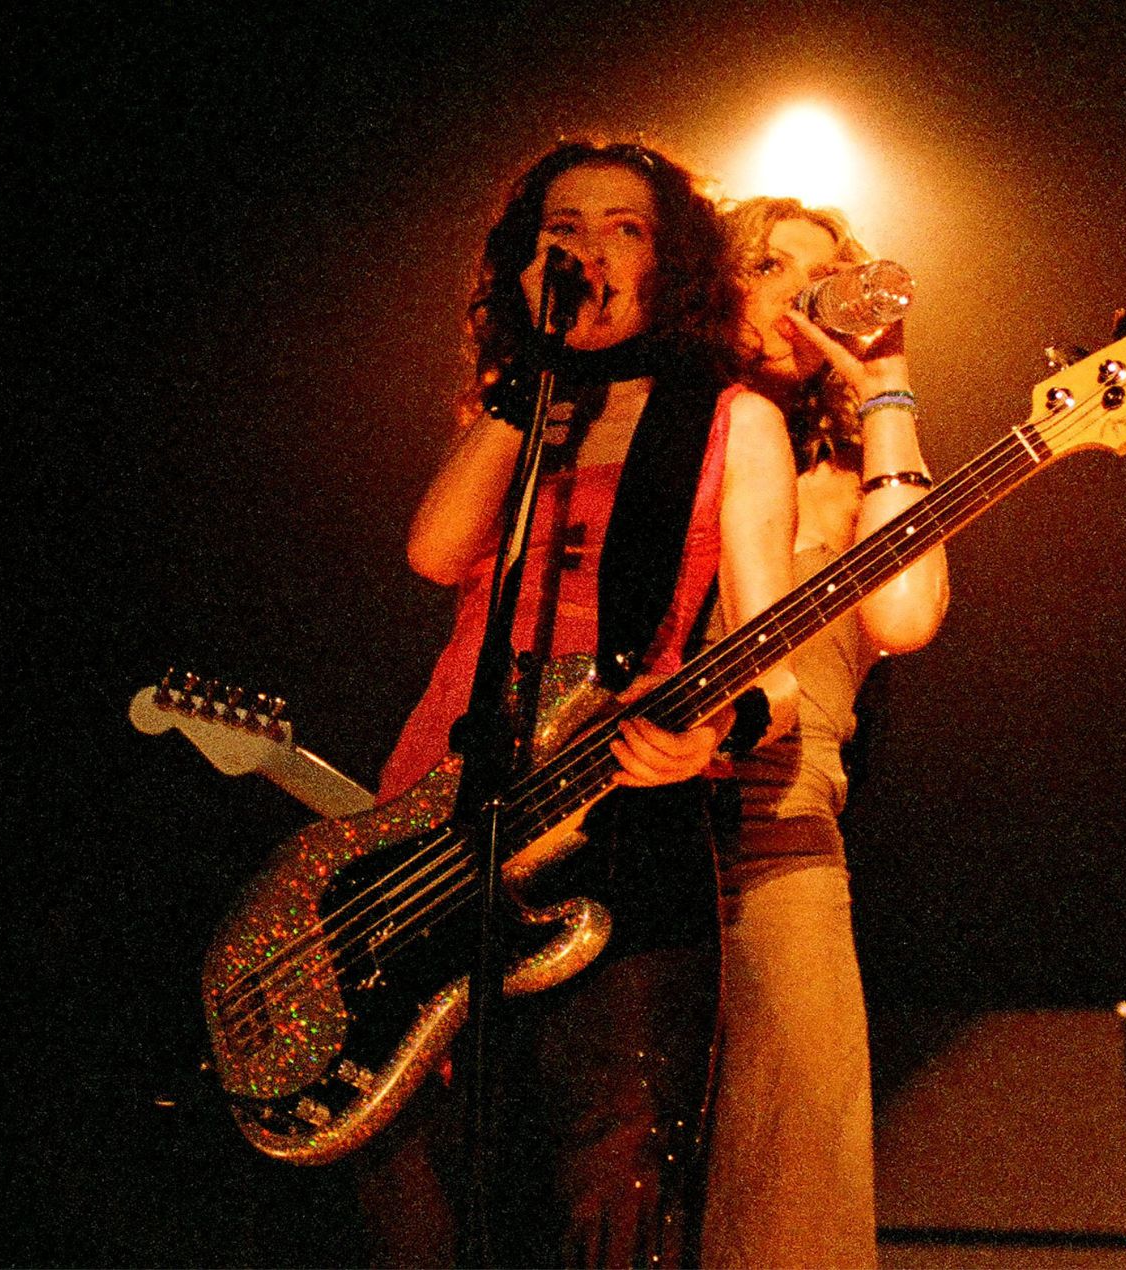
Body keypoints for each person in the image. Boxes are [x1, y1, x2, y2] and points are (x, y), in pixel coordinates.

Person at [358, 142, 803, 1269]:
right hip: (443, 793)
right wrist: (532, 373)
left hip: (615, 817)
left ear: (672, 261)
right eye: (563, 226)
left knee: (607, 1171)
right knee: (410, 1147)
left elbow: (774, 664)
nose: (589, 249)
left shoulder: (730, 418)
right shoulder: (513, 407)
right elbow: (433, 550)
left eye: (624, 228)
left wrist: (712, 731)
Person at [698, 197, 950, 1270]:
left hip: (778, 841)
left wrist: (884, 382)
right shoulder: (662, 438)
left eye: (822, 277)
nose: (796, 296)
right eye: (769, 266)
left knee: (789, 1198)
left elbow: (904, 615)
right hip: (610, 842)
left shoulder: (847, 486)